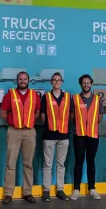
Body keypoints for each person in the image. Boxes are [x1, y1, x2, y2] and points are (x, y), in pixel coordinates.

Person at [0, 71, 40, 204]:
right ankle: (8, 193)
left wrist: (30, 121)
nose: (23, 81)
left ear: (28, 80)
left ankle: (28, 192)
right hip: (14, 132)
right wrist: (13, 122)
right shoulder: (10, 94)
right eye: (20, 79)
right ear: (16, 81)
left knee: (28, 164)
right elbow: (3, 113)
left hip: (30, 132)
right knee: (10, 164)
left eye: (25, 79)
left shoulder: (35, 95)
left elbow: (38, 111)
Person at [70, 74, 103, 201]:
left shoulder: (97, 99)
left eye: (88, 82)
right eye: (84, 83)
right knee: (78, 162)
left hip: (93, 135)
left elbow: (100, 117)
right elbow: (72, 116)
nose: (86, 85)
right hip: (78, 135)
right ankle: (76, 189)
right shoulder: (75, 99)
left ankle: (92, 189)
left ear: (91, 84)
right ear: (80, 84)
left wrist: (90, 125)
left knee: (91, 162)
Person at [40, 72, 71, 202]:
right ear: (51, 82)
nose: (56, 82)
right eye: (54, 80)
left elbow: (72, 115)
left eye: (58, 80)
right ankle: (46, 191)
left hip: (64, 136)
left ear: (62, 82)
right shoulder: (46, 97)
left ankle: (60, 190)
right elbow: (42, 116)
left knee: (61, 164)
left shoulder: (69, 97)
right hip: (49, 135)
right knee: (47, 164)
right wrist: (49, 126)